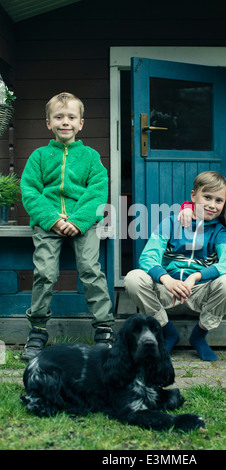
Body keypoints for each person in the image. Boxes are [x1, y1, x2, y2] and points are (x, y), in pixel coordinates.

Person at [20, 92, 114, 360]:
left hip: (83, 223)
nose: (65, 122)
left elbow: (97, 192)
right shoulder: (39, 157)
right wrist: (52, 219)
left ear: (81, 123)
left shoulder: (90, 157)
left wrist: (77, 221)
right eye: (58, 117)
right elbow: (30, 191)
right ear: (48, 123)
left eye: (71, 117)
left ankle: (104, 328)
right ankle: (37, 330)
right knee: (45, 272)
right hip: (47, 224)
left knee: (90, 269)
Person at [124, 171, 226, 361]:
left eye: (219, 200)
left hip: (200, 295)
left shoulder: (219, 231)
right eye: (207, 197)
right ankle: (167, 331)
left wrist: (195, 277)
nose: (212, 204)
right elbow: (147, 257)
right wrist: (166, 279)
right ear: (193, 196)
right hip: (166, 293)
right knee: (133, 278)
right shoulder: (170, 223)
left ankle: (199, 336)